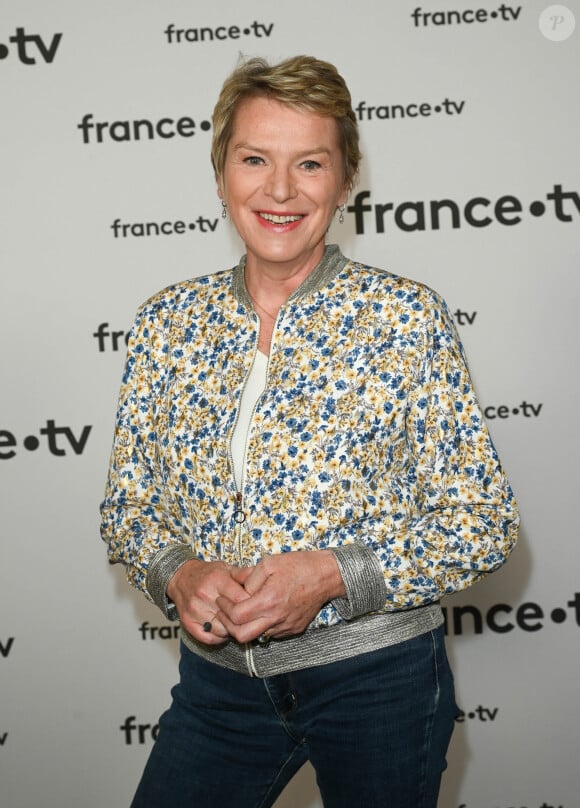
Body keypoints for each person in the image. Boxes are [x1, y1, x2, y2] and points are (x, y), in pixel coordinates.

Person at [100, 55, 519, 808]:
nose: (281, 190)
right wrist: (179, 572)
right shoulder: (168, 324)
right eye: (255, 159)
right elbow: (129, 507)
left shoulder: (405, 318)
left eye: (311, 163)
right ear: (222, 171)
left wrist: (332, 575)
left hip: (380, 690)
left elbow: (483, 523)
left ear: (346, 178)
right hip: (219, 688)